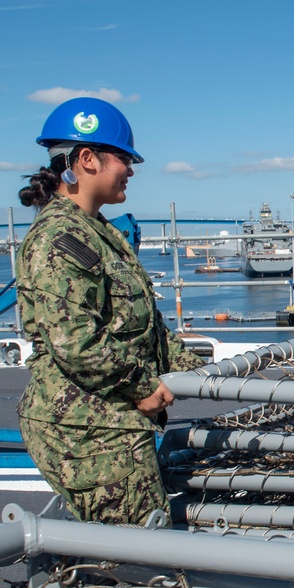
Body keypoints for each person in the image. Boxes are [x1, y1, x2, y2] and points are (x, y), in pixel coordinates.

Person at [16, 97, 204, 526]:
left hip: (111, 421)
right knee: (137, 557)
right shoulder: (59, 237)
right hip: (89, 431)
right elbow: (77, 342)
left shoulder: (97, 232)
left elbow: (143, 327)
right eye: (124, 158)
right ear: (87, 159)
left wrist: (199, 371)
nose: (131, 170)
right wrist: (143, 387)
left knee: (145, 539)